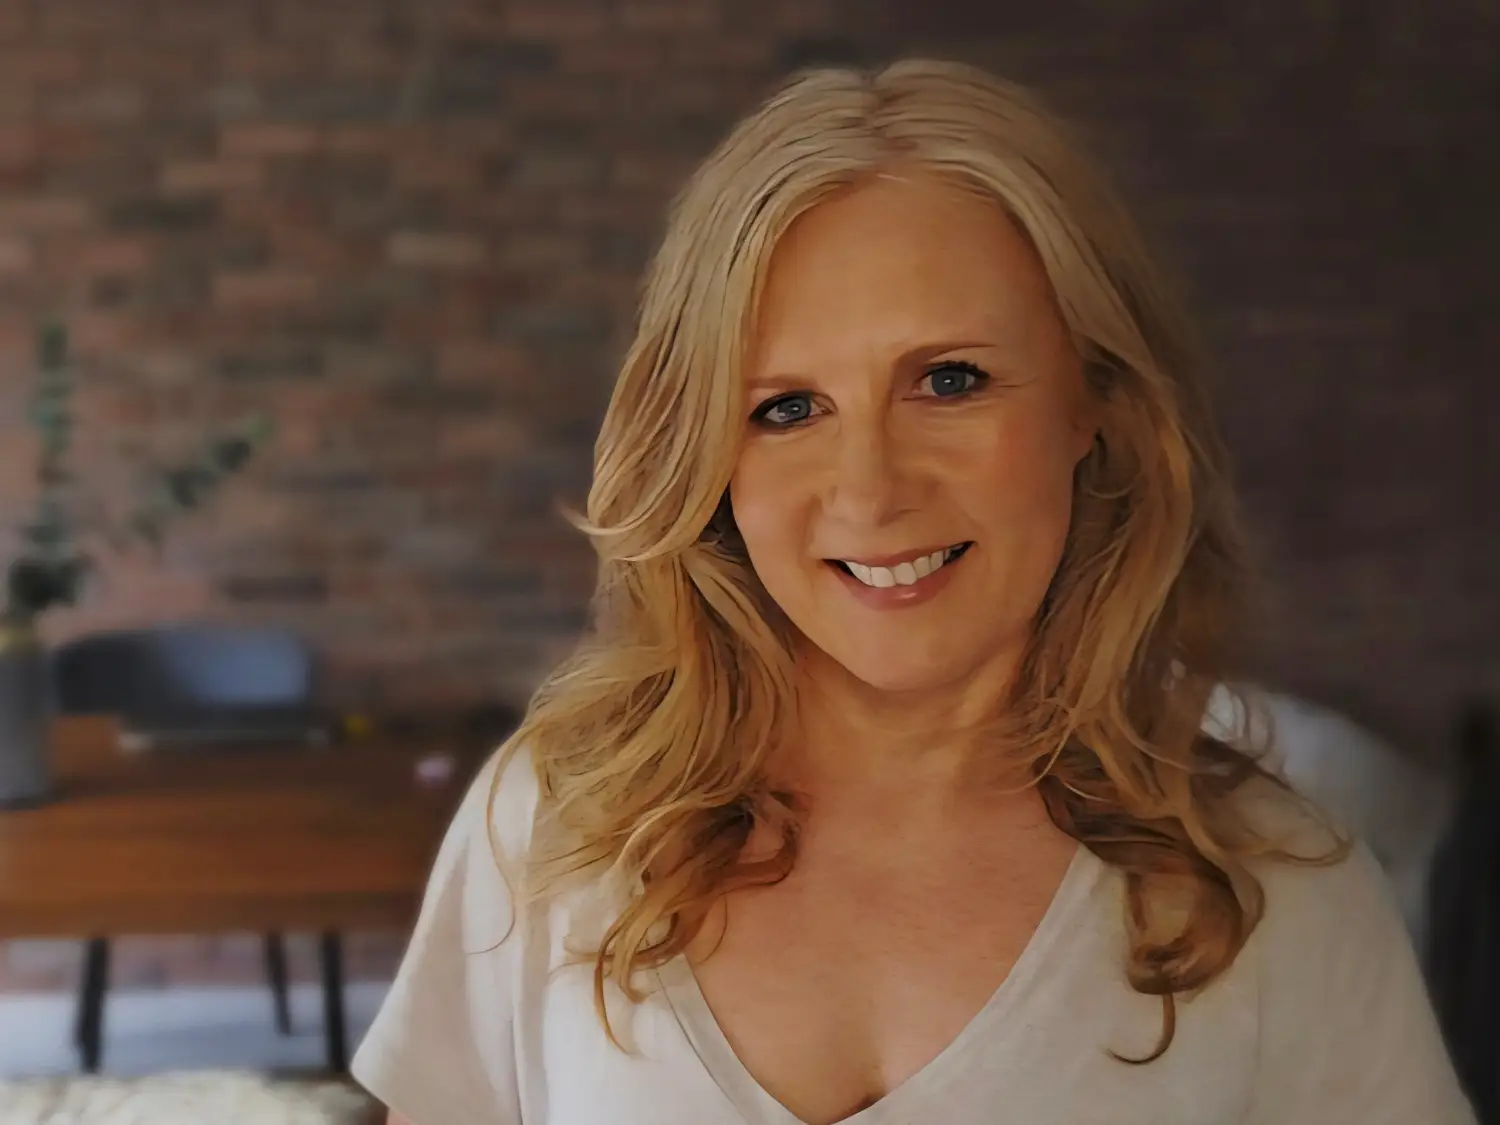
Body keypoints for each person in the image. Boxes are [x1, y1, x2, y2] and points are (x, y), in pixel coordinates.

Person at [352, 59, 1475, 1124]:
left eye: (950, 381)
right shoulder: (557, 819)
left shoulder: (1275, 892)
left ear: (1095, 407)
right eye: (786, 407)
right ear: (706, 455)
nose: (870, 488)